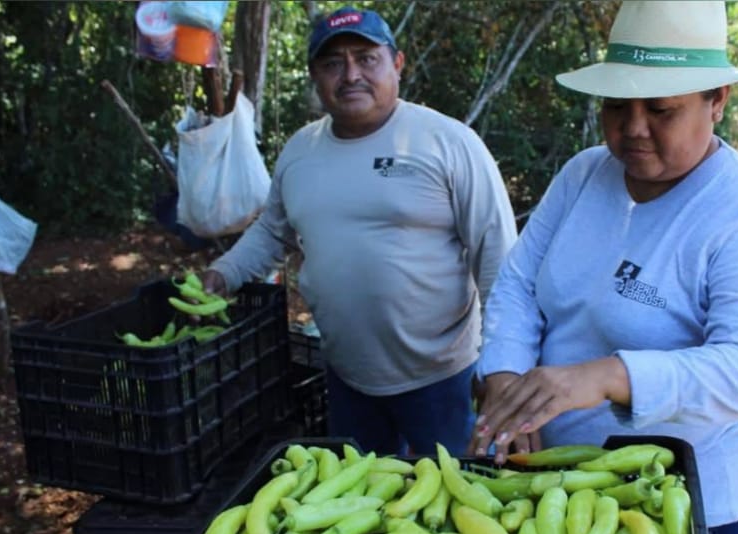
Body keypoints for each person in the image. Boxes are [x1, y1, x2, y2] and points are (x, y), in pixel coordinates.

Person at [467, 0, 738, 534]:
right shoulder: (582, 176)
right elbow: (519, 284)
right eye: (617, 107)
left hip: (678, 489)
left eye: (662, 110)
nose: (634, 128)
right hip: (553, 470)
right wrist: (505, 378)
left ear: (717, 99)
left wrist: (604, 376)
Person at [202, 6, 517, 458]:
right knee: (364, 510)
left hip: (441, 381)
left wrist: (500, 365)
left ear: (397, 64)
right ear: (315, 75)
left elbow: (498, 256)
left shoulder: (448, 142)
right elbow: (273, 232)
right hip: (348, 378)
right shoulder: (300, 151)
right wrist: (223, 273)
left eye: (366, 59)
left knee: (454, 509)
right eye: (333, 64)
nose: (351, 75)